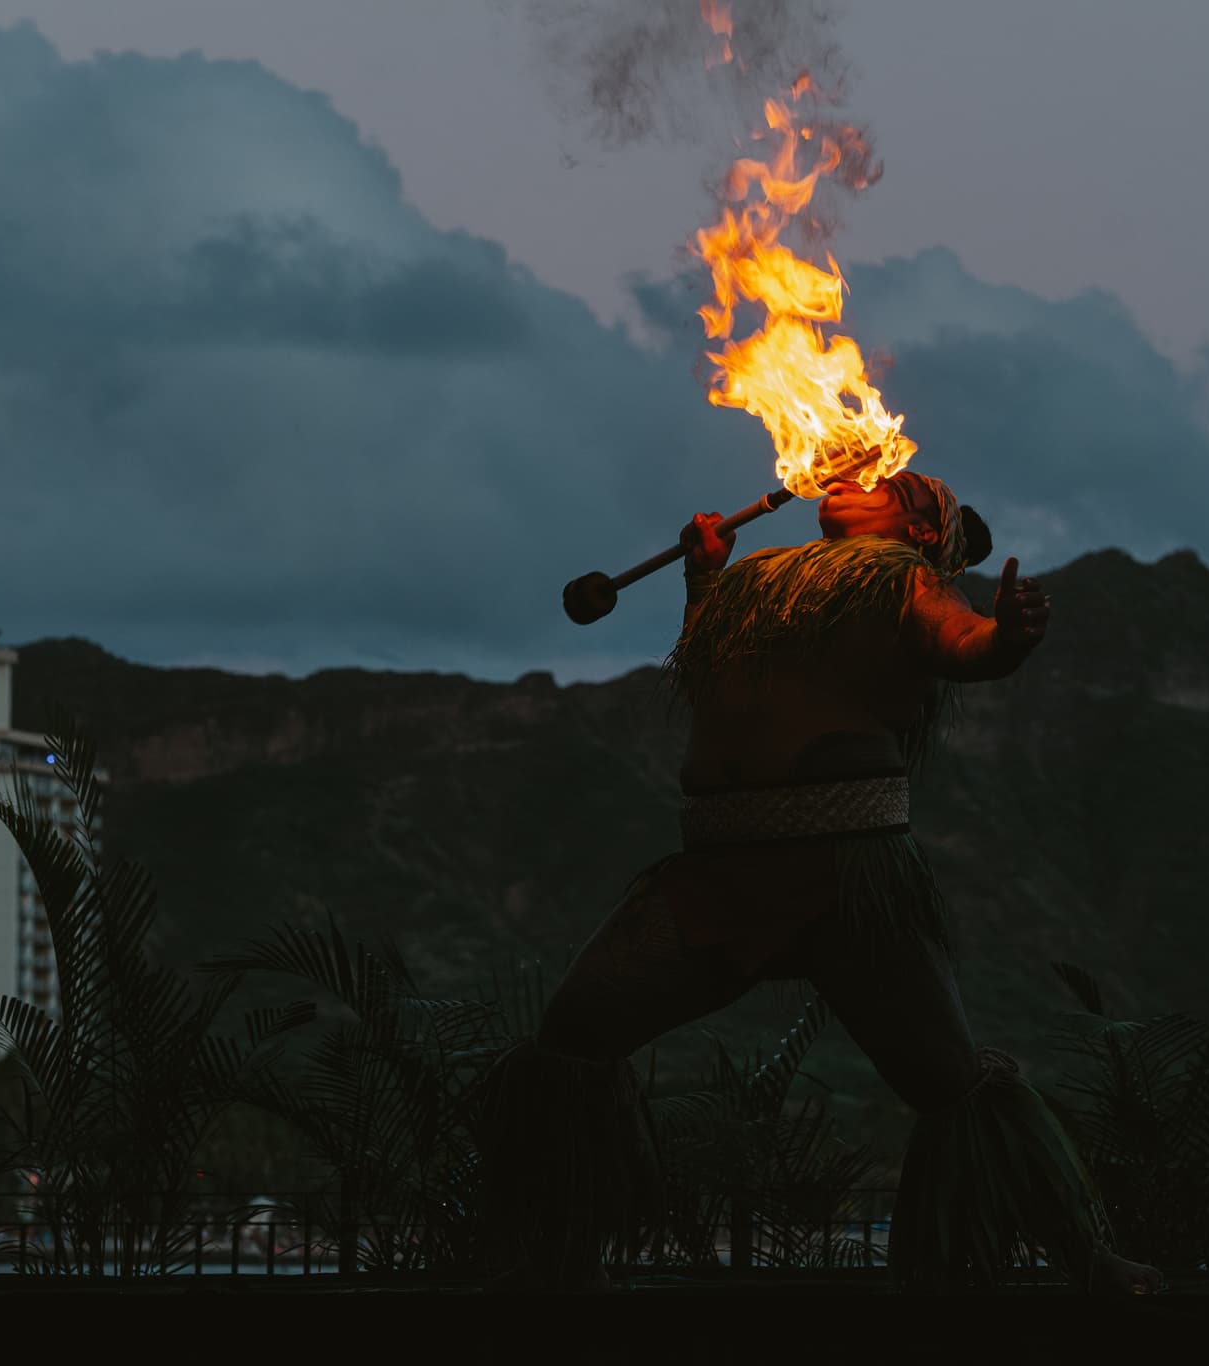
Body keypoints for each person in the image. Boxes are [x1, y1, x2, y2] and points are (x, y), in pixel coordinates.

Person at [476, 469, 1164, 1294]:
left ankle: (1086, 1257)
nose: (861, 476)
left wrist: (1009, 637)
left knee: (948, 1079)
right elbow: (704, 671)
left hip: (848, 876)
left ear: (917, 535)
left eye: (895, 488)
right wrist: (703, 578)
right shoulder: (761, 581)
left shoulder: (906, 579)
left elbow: (962, 645)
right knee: (574, 1033)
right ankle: (547, 1260)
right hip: (716, 876)